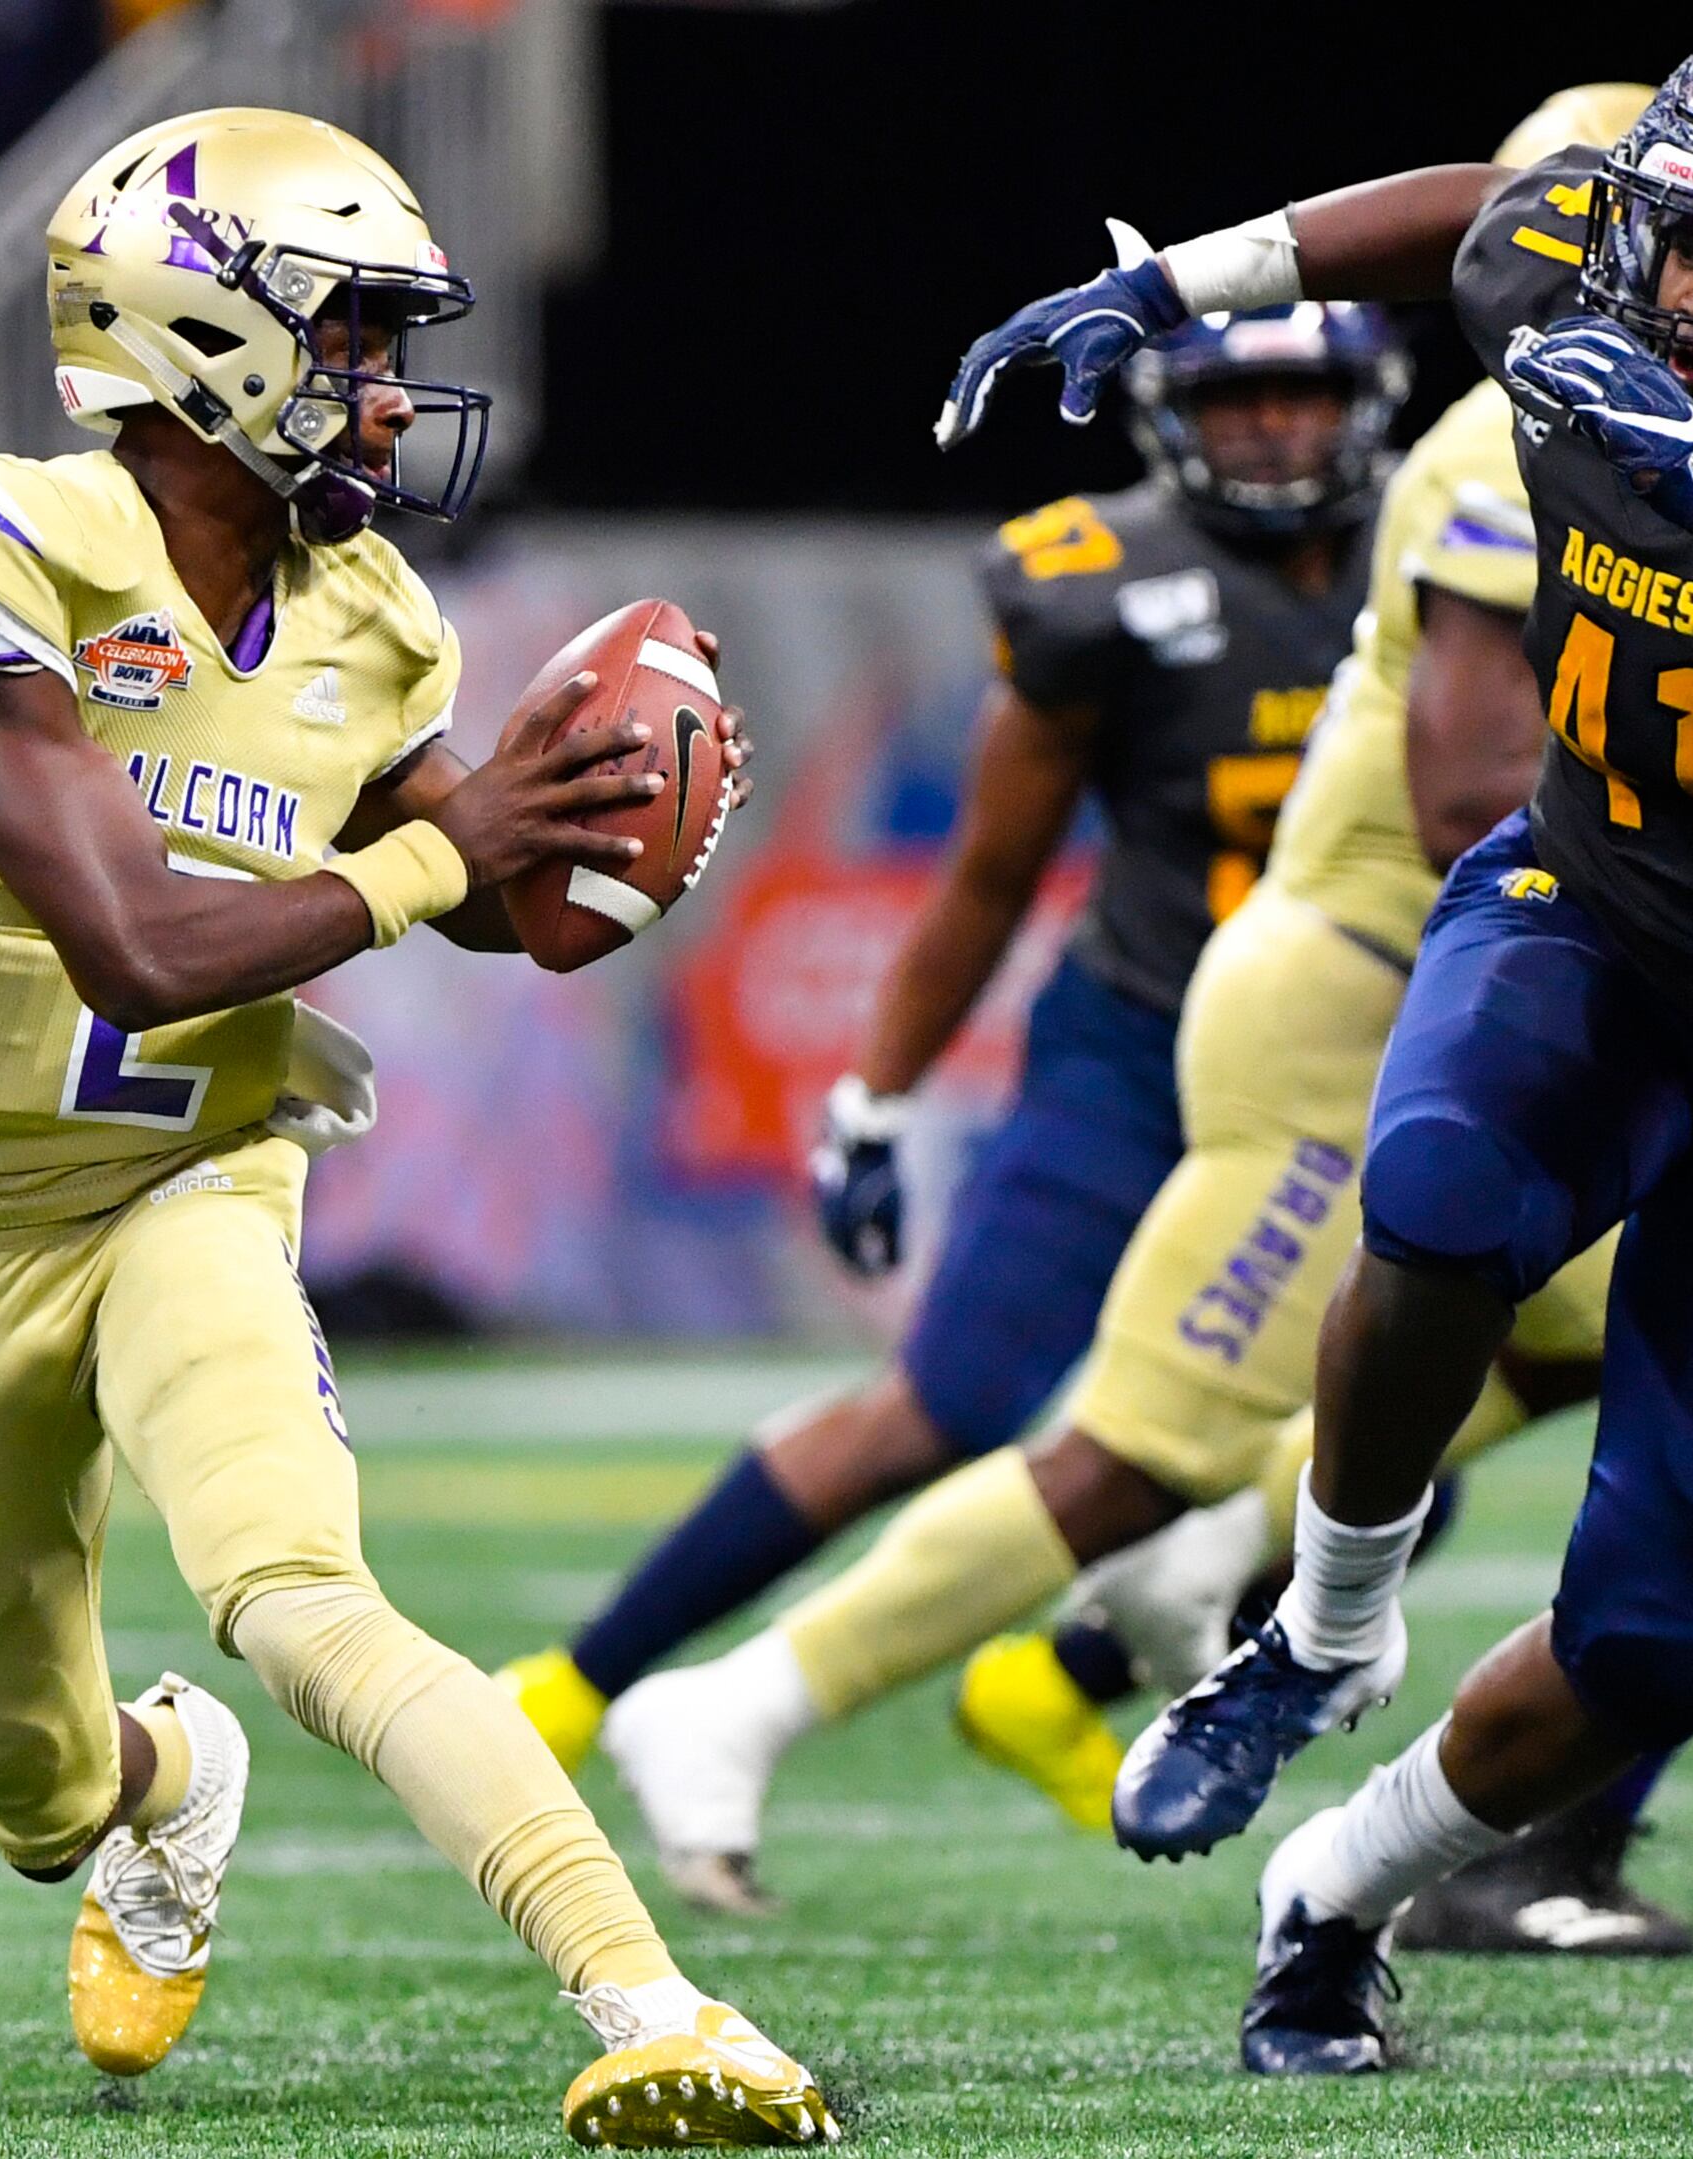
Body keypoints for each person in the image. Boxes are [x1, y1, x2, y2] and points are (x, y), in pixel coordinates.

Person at [942, 14, 1693, 2074]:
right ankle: (1326, 1630)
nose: (1692, 293)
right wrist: (1181, 282)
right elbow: (1478, 215)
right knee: (1438, 1193)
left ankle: (1336, 1893)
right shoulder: (1615, 264)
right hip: (1605, 914)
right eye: (1680, 242)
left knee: (1662, 1639)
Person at [0, 107, 831, 2145]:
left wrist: (611, 814)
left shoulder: (370, 616)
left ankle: (661, 2006)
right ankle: (170, 1783)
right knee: (30, 1791)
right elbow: (138, 951)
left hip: (186, 1180)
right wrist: (460, 854)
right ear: (198, 338)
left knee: (298, 1594)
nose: (391, 388)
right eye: (350, 336)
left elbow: (503, 896)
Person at [508, 306, 1402, 1910]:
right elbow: (989, 875)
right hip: (1144, 1047)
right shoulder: (1102, 586)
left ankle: (1056, 1683)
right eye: (1240, 397)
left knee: (1408, 1429)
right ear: (1174, 412)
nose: (1275, 428)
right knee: (955, 1400)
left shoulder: (1453, 553)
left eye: (1304, 393)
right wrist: (875, 1097)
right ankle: (576, 1687)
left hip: (1365, 1065)